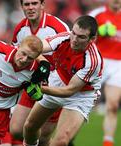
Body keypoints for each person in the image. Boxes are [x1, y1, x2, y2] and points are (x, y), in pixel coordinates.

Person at [23, 15, 103, 146]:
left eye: (81, 37)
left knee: (61, 141)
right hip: (57, 80)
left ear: (92, 39)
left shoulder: (92, 61)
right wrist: (41, 60)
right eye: (74, 33)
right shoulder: (63, 38)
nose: (74, 40)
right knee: (30, 127)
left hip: (80, 96)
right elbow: (36, 47)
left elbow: (69, 91)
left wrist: (40, 88)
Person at [9, 0, 71, 146]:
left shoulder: (57, 27)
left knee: (43, 137)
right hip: (32, 84)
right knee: (16, 129)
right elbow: (16, 58)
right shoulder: (20, 29)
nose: (30, 7)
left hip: (53, 87)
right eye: (27, 4)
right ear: (22, 6)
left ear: (42, 5)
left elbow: (70, 56)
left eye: (34, 3)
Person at [89, 1, 121, 146]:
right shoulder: (97, 14)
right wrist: (99, 32)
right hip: (99, 61)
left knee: (113, 105)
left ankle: (108, 142)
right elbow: (81, 34)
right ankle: (67, 138)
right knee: (82, 101)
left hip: (118, 64)